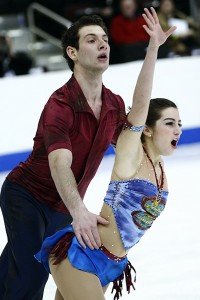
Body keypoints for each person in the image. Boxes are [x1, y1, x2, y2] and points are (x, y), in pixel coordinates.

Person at [35, 7, 181, 300]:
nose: (177, 129)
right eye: (169, 123)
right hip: (84, 256)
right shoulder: (131, 155)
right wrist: (153, 48)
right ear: (148, 130)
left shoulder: (160, 169)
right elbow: (140, 104)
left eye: (179, 124)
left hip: (111, 263)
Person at [0, 15, 126, 299]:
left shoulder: (113, 104)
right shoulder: (60, 104)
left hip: (61, 208)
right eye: (91, 40)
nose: (102, 45)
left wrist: (153, 50)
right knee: (31, 273)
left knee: (16, 265)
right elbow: (60, 163)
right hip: (27, 197)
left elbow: (131, 144)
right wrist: (80, 212)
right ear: (73, 53)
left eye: (104, 39)